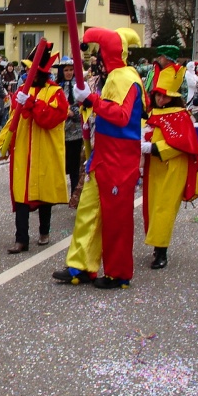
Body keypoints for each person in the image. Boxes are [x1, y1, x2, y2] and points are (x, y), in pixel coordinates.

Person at [53, 28, 147, 289]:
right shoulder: (114, 77)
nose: (97, 60)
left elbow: (122, 116)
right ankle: (81, 266)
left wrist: (92, 100)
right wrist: (89, 107)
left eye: (100, 55)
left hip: (120, 158)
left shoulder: (125, 77)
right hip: (103, 154)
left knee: (116, 217)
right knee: (88, 210)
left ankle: (119, 273)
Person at [0, 42, 69, 253]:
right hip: (22, 151)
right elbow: (12, 120)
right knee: (21, 196)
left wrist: (33, 104)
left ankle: (44, 231)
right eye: (27, 68)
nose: (29, 72)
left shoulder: (55, 92)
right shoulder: (21, 90)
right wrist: (4, 143)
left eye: (33, 69)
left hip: (44, 151)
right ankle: (21, 239)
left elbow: (51, 119)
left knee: (43, 196)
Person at [142, 63, 198, 269]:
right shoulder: (152, 114)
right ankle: (157, 245)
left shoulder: (181, 115)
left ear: (174, 96)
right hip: (154, 169)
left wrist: (153, 148)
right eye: (158, 95)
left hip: (173, 168)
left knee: (164, 208)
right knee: (152, 207)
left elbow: (183, 144)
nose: (161, 99)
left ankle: (162, 252)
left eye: (165, 96)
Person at [55, 56, 85, 198]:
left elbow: (86, 105)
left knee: (75, 167)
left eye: (71, 70)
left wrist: (74, 113)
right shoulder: (56, 87)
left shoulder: (80, 86)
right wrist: (64, 111)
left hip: (77, 132)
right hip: (60, 132)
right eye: (66, 70)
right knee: (59, 166)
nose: (69, 72)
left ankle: (74, 193)